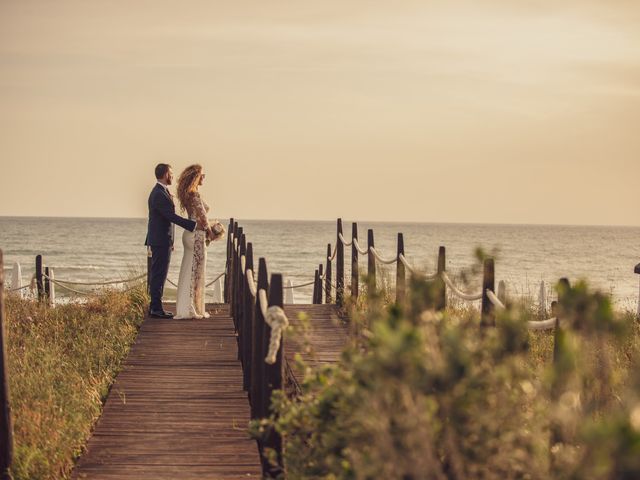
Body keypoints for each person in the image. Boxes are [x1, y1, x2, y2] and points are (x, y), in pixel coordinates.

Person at [145, 163, 197, 318]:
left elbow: (165, 219)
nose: (173, 177)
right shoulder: (159, 194)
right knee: (159, 274)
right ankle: (155, 308)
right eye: (172, 174)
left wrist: (171, 241)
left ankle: (155, 307)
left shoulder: (162, 192)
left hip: (163, 240)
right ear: (166, 174)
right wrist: (191, 224)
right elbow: (170, 216)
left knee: (160, 273)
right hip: (160, 240)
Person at [174, 164, 214, 319]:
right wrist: (211, 233)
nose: (204, 178)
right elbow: (203, 218)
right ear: (196, 177)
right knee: (194, 273)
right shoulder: (195, 195)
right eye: (202, 175)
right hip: (196, 235)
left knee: (187, 270)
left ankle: (188, 306)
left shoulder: (188, 194)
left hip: (189, 234)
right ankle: (190, 308)